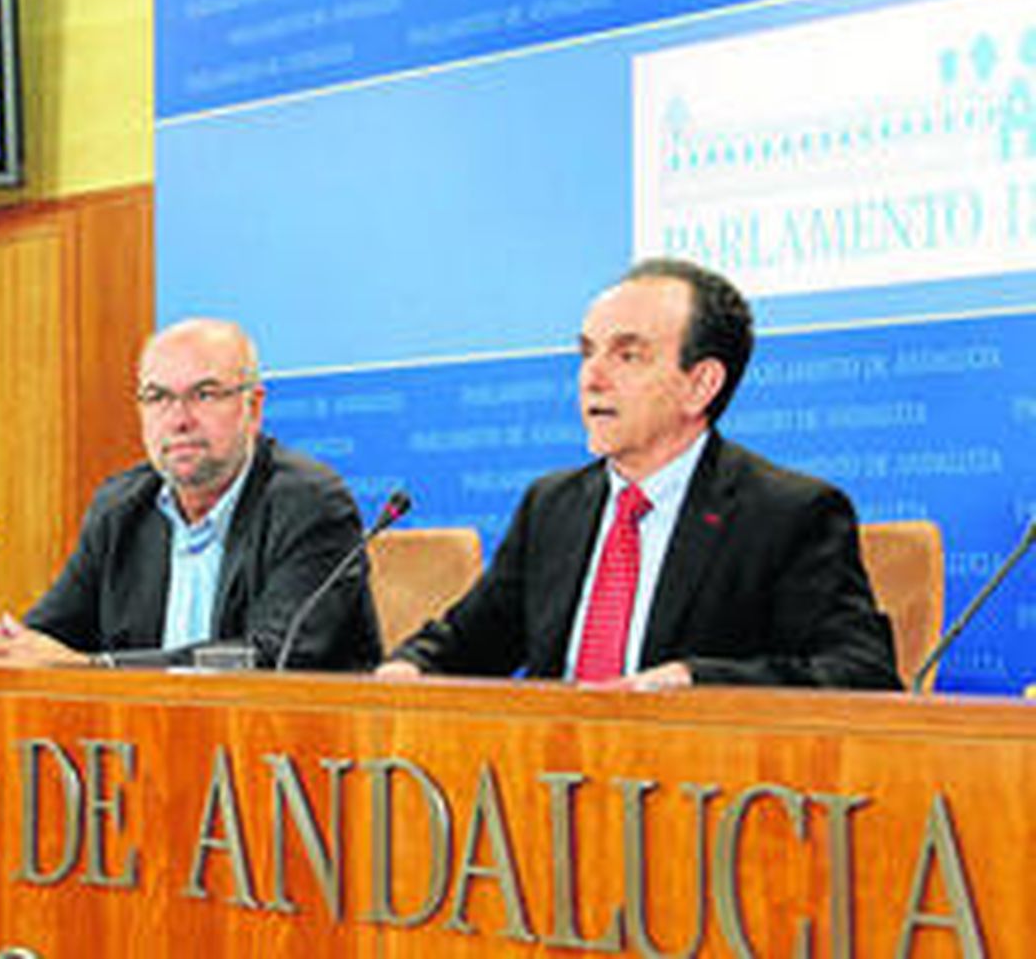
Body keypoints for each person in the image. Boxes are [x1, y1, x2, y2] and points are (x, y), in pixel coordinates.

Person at [378, 258, 901, 690]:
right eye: (587, 352)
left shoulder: (788, 513)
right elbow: (473, 639)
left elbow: (861, 675)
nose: (593, 377)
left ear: (701, 385)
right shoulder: (553, 505)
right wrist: (411, 667)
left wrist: (696, 681)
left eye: (627, 355)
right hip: (549, 790)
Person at [0, 318, 381, 670]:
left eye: (205, 394)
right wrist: (5, 652)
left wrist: (97, 668)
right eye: (158, 397)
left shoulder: (310, 503)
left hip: (291, 756)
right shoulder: (121, 506)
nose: (179, 419)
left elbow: (268, 656)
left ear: (253, 408)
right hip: (143, 750)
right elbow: (55, 632)